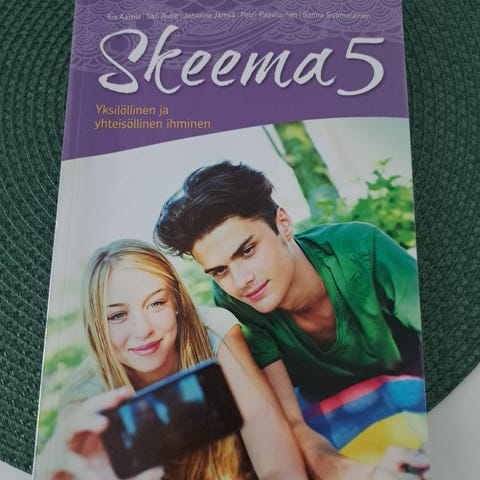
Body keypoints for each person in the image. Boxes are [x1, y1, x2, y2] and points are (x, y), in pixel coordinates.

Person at [153, 161, 430, 480]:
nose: (241, 281)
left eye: (247, 251)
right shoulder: (235, 304)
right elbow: (293, 425)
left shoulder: (361, 249)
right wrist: (365, 475)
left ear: (283, 224)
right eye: (219, 271)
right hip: (329, 415)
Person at [34, 239, 308, 480]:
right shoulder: (86, 397)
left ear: (176, 301)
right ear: (96, 326)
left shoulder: (213, 331)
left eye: (156, 303)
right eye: (117, 315)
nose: (143, 330)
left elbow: (280, 466)